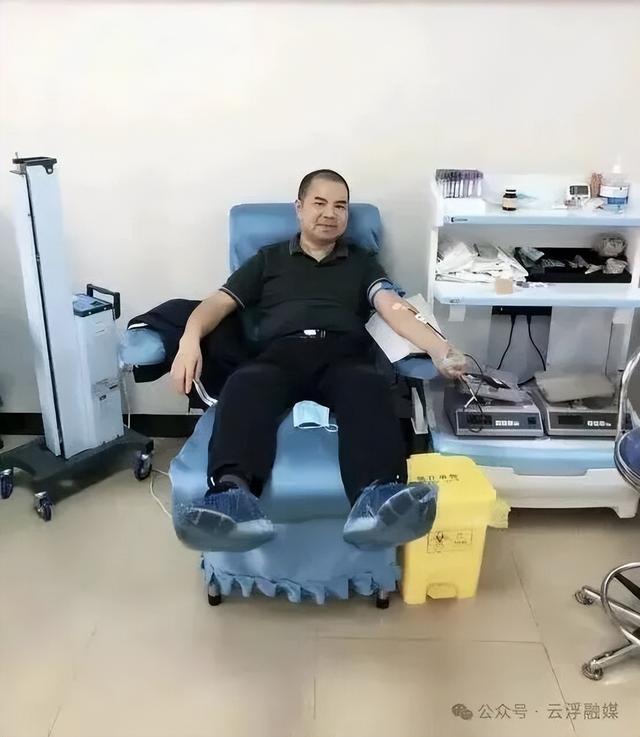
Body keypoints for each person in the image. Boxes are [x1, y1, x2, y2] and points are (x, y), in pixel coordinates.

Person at [171, 170, 466, 552]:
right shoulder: (268, 259)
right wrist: (189, 339)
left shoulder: (361, 262)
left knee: (369, 386)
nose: (330, 213)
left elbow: (393, 308)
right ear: (299, 207)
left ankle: (378, 500)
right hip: (279, 355)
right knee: (244, 384)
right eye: (320, 203)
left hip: (342, 356)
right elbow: (216, 304)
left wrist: (440, 348)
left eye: (340, 206)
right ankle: (232, 498)